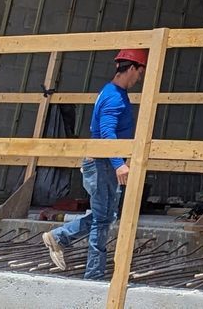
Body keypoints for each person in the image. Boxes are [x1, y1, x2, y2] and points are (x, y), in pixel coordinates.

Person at [43, 48, 147, 279]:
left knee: (106, 216)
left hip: (103, 163)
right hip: (102, 164)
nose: (139, 78)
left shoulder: (112, 92)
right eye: (139, 73)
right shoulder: (114, 97)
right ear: (131, 68)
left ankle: (60, 238)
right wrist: (119, 163)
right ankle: (93, 274)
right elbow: (107, 133)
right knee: (102, 219)